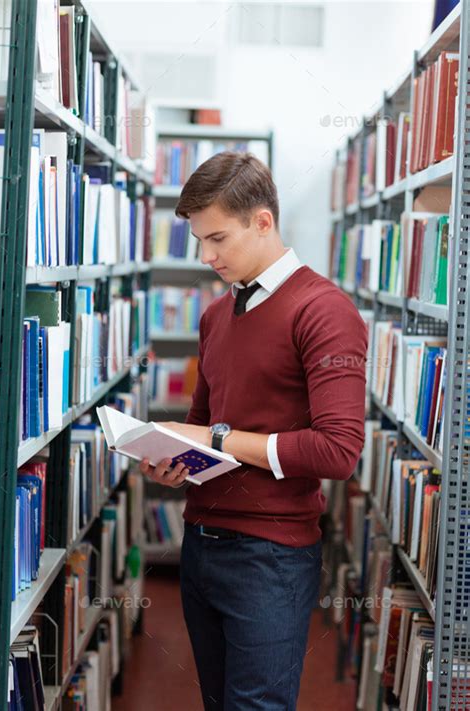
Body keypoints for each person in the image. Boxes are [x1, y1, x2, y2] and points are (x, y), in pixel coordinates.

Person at [140, 151, 367, 710]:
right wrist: (174, 463)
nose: (206, 255)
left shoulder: (324, 310)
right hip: (200, 544)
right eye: (198, 240)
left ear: (263, 221)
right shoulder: (216, 315)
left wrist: (215, 441)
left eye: (217, 238)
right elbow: (199, 422)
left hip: (271, 557)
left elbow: (339, 451)